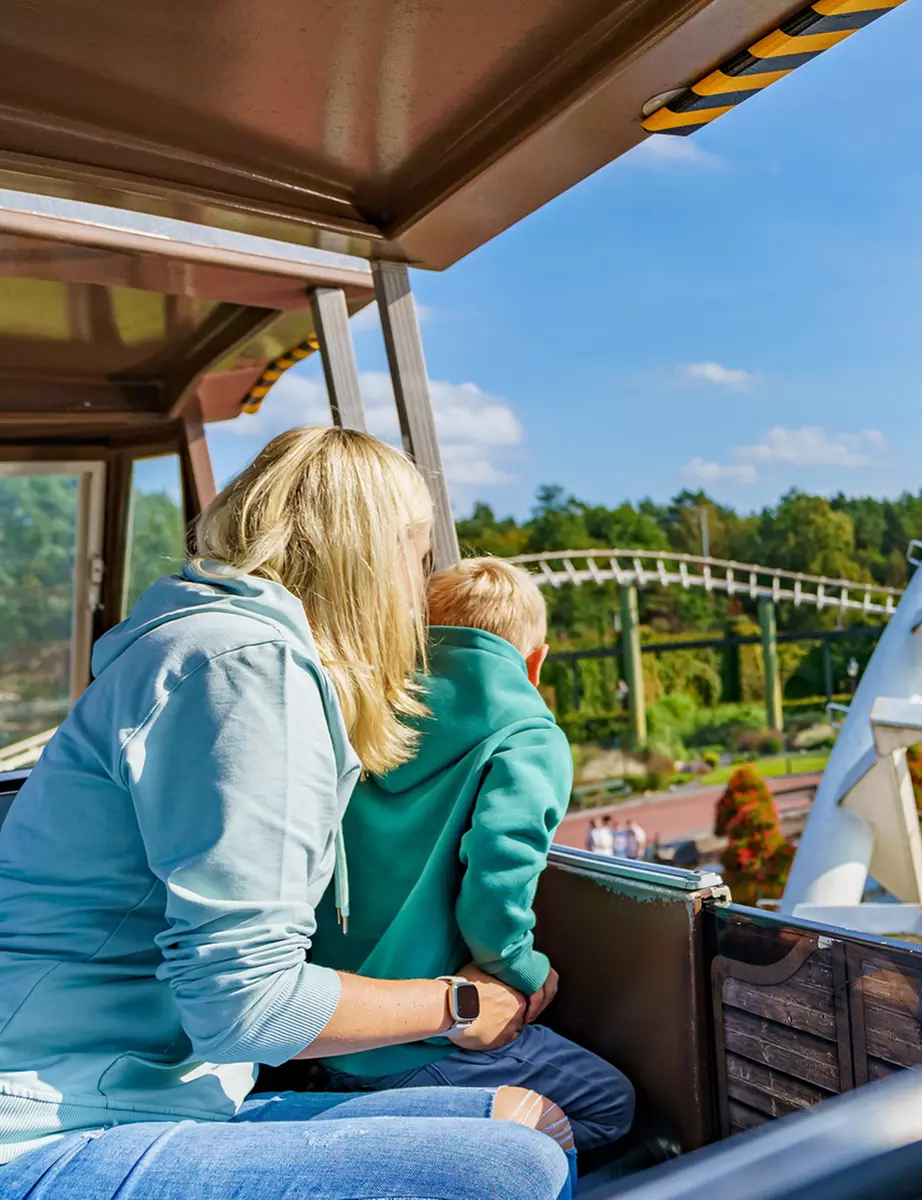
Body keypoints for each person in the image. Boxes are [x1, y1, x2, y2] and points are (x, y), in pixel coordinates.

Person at [0, 428, 572, 1198]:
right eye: (416, 553)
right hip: (48, 1124)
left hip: (150, 1091)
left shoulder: (216, 648)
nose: (417, 587)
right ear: (373, 556)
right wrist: (462, 1001)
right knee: (518, 1162)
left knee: (528, 1118)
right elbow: (249, 1006)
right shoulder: (245, 668)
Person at [312, 558, 636, 1151]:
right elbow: (498, 879)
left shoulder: (367, 711)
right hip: (421, 1045)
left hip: (326, 1026)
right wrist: (522, 970)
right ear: (535, 662)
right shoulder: (528, 734)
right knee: (611, 1107)